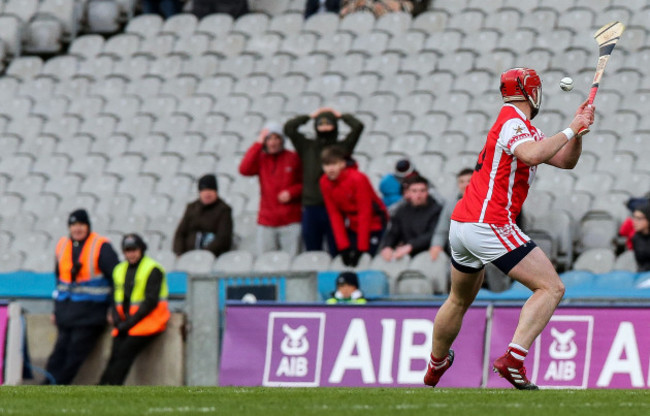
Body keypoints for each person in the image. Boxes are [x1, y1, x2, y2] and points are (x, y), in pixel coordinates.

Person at [423, 67, 594, 390]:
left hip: (462, 225)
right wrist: (571, 128)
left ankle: (436, 363)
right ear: (532, 92)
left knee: (458, 300)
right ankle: (513, 359)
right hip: (490, 222)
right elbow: (530, 155)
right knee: (551, 288)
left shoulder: (518, 124)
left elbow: (564, 161)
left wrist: (578, 133)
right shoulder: (514, 122)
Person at [44, 209, 120, 385]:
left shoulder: (101, 246)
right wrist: (56, 311)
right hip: (67, 313)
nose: (77, 229)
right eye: (73, 225)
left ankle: (59, 386)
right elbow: (60, 282)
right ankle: (47, 386)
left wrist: (113, 309)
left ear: (88, 226)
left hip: (90, 315)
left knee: (74, 354)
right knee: (58, 353)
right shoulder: (63, 245)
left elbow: (116, 279)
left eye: (81, 225)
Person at [284, 107, 364, 254]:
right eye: (321, 124)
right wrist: (309, 116)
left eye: (329, 123)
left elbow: (358, 127)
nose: (324, 127)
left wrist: (341, 115)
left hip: (335, 206)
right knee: (312, 250)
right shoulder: (307, 146)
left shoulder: (342, 147)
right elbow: (289, 128)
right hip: (311, 205)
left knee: (337, 249)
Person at [99, 234, 170, 385]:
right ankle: (102, 387)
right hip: (127, 323)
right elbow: (115, 296)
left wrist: (128, 323)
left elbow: (150, 302)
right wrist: (117, 319)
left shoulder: (152, 269)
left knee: (124, 354)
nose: (131, 254)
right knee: (115, 354)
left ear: (141, 249)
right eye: (127, 250)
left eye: (134, 250)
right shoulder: (119, 269)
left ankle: (111, 387)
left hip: (149, 321)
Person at [238, 122, 303, 256]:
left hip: (290, 221)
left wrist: (291, 192)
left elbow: (306, 183)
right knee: (265, 263)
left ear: (282, 140)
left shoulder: (293, 158)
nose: (273, 142)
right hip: (267, 221)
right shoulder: (261, 159)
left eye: (276, 138)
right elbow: (244, 169)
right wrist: (257, 143)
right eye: (269, 138)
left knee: (291, 261)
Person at [319, 146, 387, 266]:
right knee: (346, 261)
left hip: (375, 224)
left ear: (342, 164)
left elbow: (365, 213)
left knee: (366, 261)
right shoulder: (324, 182)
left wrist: (361, 247)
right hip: (354, 226)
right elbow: (334, 214)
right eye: (326, 165)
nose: (330, 169)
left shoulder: (358, 179)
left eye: (334, 164)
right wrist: (343, 246)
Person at [380, 175, 443, 261]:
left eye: (422, 191)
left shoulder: (437, 210)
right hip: (406, 253)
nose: (418, 195)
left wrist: (410, 246)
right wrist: (387, 246)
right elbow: (393, 232)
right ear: (408, 193)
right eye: (414, 191)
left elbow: (432, 234)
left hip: (428, 255)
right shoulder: (402, 210)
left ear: (427, 192)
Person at [173, 174, 233, 257]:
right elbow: (180, 234)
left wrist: (204, 255)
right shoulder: (191, 208)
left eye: (210, 190)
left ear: (216, 191)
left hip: (212, 256)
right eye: (204, 190)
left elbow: (223, 238)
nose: (207, 194)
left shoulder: (224, 210)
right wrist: (179, 253)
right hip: (188, 254)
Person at [429, 168, 473, 261]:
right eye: (461, 182)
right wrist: (436, 245)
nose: (465, 185)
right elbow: (441, 231)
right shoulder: (450, 205)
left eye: (469, 181)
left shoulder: (488, 203)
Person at [631, 203, 650, 272]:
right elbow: (640, 263)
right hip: (642, 275)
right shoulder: (636, 238)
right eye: (634, 217)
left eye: (639, 218)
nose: (634, 222)